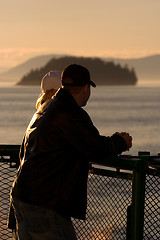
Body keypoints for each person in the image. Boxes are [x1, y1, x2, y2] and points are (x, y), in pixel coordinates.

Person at [10, 64, 132, 240]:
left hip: (22, 197)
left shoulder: (46, 108)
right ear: (85, 88)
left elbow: (82, 141)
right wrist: (121, 141)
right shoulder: (70, 112)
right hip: (44, 202)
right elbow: (95, 146)